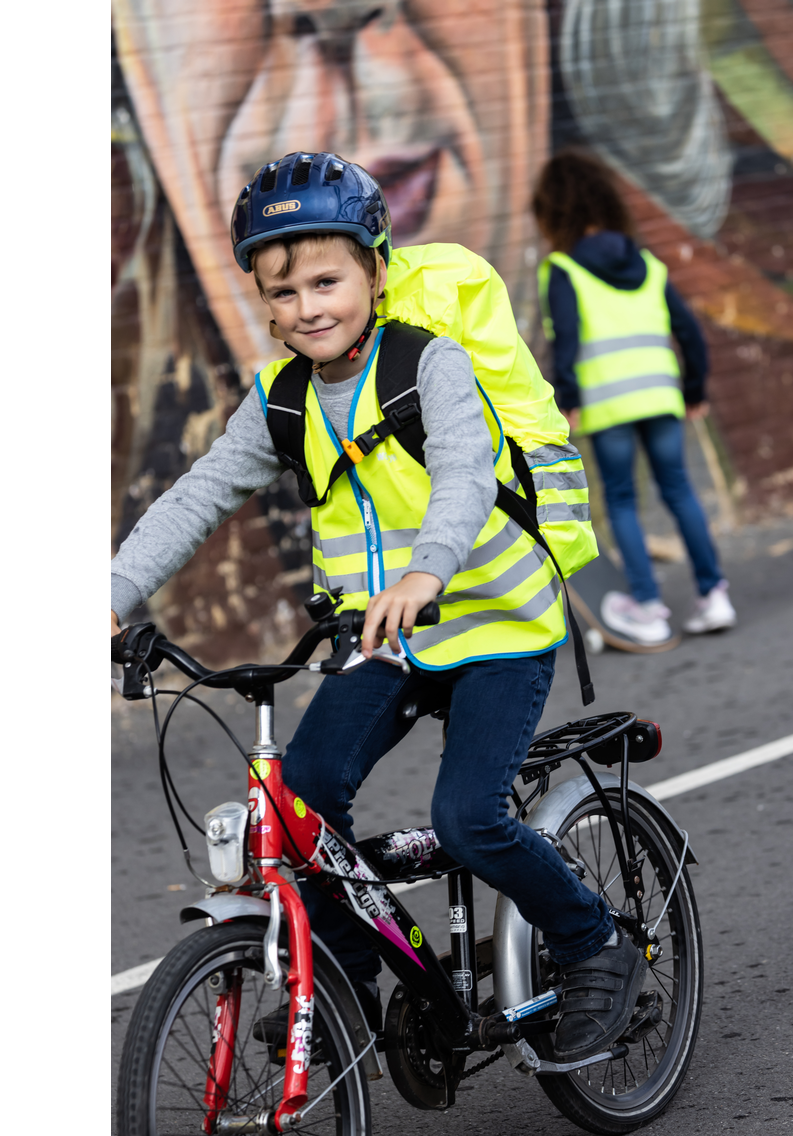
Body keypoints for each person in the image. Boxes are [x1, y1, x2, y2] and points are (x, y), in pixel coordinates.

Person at [110, 151, 645, 1062]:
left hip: (495, 626)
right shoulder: (282, 401)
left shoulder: (427, 364)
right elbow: (197, 495)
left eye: (327, 279)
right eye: (282, 291)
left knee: (469, 818)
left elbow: (466, 473)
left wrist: (428, 570)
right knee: (299, 805)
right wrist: (110, 593)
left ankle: (594, 944)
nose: (307, 306)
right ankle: (350, 978)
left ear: (376, 271)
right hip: (382, 638)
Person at [532, 148, 737, 645]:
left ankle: (647, 608)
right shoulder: (647, 263)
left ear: (554, 211)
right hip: (662, 397)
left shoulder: (562, 268)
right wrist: (693, 388)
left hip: (608, 406)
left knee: (622, 501)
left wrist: (569, 398)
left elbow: (568, 338)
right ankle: (714, 596)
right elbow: (688, 331)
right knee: (680, 491)